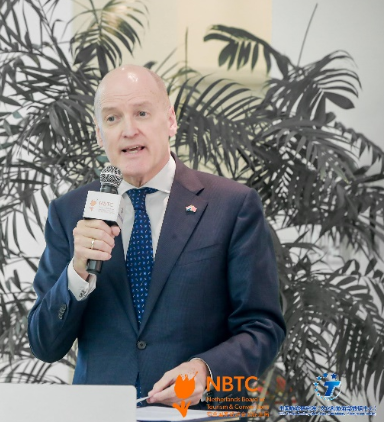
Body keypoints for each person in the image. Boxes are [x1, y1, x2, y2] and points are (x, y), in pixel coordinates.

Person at [27, 64, 285, 408]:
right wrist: (76, 272)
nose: (128, 130)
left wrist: (206, 371)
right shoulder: (71, 211)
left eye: (142, 113)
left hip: (193, 413)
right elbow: (45, 344)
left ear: (170, 120)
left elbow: (262, 326)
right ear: (100, 134)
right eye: (113, 118)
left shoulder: (231, 205)